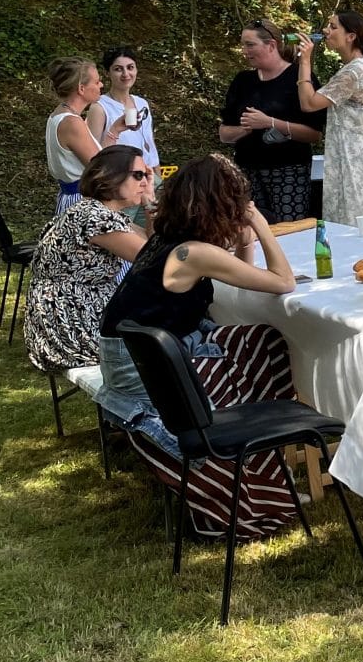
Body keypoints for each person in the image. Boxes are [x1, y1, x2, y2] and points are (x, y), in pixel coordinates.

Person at [95, 155, 306, 540]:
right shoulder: (193, 253)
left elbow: (245, 278)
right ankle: (252, 455)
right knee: (256, 350)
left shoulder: (169, 240)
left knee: (260, 342)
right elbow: (283, 282)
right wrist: (258, 225)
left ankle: (262, 451)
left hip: (142, 353)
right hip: (142, 368)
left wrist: (244, 243)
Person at [24, 146, 154, 370]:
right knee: (163, 343)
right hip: (71, 322)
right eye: (138, 175)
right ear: (112, 176)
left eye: (147, 176)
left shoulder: (100, 211)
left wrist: (150, 202)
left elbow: (153, 242)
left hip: (69, 312)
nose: (145, 182)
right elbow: (154, 258)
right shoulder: (96, 217)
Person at [219, 19, 325, 221]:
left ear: (272, 45)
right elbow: (224, 133)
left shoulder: (299, 77)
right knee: (251, 233)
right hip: (246, 172)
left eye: (250, 45)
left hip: (289, 173)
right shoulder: (242, 81)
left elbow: (314, 134)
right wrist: (247, 129)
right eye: (243, 44)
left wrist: (270, 122)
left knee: (289, 231)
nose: (244, 51)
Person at [296, 10, 363, 232]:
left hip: (353, 159)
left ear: (351, 36)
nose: (326, 31)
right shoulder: (362, 67)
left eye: (333, 26)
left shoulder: (355, 72)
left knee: (352, 222)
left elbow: (309, 103)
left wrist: (305, 62)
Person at [46, 57, 121, 215]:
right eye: (97, 82)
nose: (101, 85)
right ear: (81, 88)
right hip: (82, 204)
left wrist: (115, 130)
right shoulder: (71, 123)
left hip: (76, 199)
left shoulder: (61, 115)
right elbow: (102, 167)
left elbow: (97, 157)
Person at [88, 47, 161, 175]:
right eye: (118, 69)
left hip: (148, 177)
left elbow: (150, 147)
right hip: (120, 179)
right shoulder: (99, 108)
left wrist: (159, 182)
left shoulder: (141, 103)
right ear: (107, 73)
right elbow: (92, 156)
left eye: (130, 67)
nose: (126, 74)